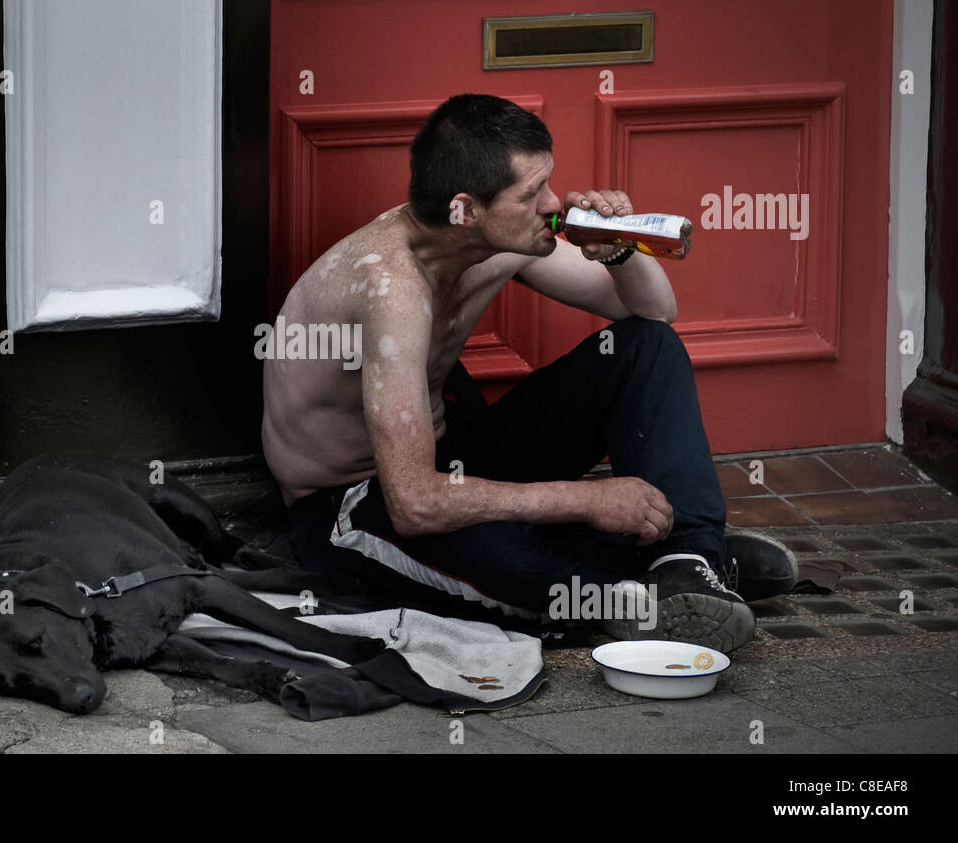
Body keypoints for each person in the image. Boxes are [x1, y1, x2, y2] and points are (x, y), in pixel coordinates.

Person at [260, 94, 796, 652]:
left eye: (548, 183)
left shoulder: (495, 241)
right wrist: (587, 500)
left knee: (643, 349)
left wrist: (620, 249)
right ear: (465, 209)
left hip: (449, 461)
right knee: (518, 573)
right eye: (531, 193)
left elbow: (654, 316)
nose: (554, 202)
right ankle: (642, 587)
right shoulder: (389, 286)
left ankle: (687, 559)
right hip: (353, 504)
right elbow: (415, 503)